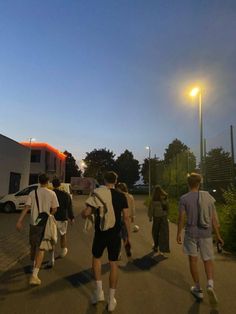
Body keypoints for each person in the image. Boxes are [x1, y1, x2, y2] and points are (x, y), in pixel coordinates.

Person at [81, 171, 130, 312]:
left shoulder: (97, 193)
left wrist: (83, 215)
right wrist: (128, 237)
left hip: (101, 233)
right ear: (116, 181)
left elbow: (86, 213)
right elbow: (126, 217)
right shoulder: (122, 196)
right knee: (113, 263)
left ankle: (99, 292)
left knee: (96, 258)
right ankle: (112, 299)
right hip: (115, 234)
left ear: (104, 180)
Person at [177, 172, 224, 305]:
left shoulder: (184, 198)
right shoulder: (208, 197)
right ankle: (210, 285)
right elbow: (214, 219)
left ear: (188, 183)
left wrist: (178, 234)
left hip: (191, 233)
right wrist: (218, 236)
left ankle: (198, 288)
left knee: (193, 260)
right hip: (206, 233)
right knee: (207, 260)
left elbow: (181, 218)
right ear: (199, 183)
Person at [16, 173, 59, 286]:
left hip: (34, 223)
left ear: (39, 181)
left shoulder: (32, 193)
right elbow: (54, 209)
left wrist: (19, 220)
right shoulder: (52, 193)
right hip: (44, 223)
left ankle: (33, 264)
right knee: (41, 248)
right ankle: (34, 275)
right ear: (48, 181)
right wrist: (48, 214)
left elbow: (27, 207)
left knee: (33, 245)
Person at [51, 178, 74, 266]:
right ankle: (63, 250)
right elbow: (69, 207)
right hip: (63, 218)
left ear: (53, 185)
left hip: (52, 218)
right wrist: (71, 217)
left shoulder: (51, 194)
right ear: (60, 185)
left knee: (52, 238)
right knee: (63, 235)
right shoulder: (66, 195)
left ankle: (51, 257)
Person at [148, 185, 170, 255]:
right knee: (164, 232)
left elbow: (151, 209)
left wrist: (150, 217)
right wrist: (167, 215)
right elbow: (167, 208)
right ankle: (163, 249)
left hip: (156, 217)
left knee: (155, 231)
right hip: (164, 217)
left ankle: (156, 245)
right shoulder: (165, 197)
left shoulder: (154, 199)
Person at [116, 182, 135, 260]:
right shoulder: (130, 196)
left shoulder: (118, 196)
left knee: (117, 238)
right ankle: (128, 254)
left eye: (117, 188)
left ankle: (118, 254)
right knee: (126, 237)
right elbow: (133, 208)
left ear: (120, 188)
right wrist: (133, 217)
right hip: (127, 218)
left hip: (119, 218)